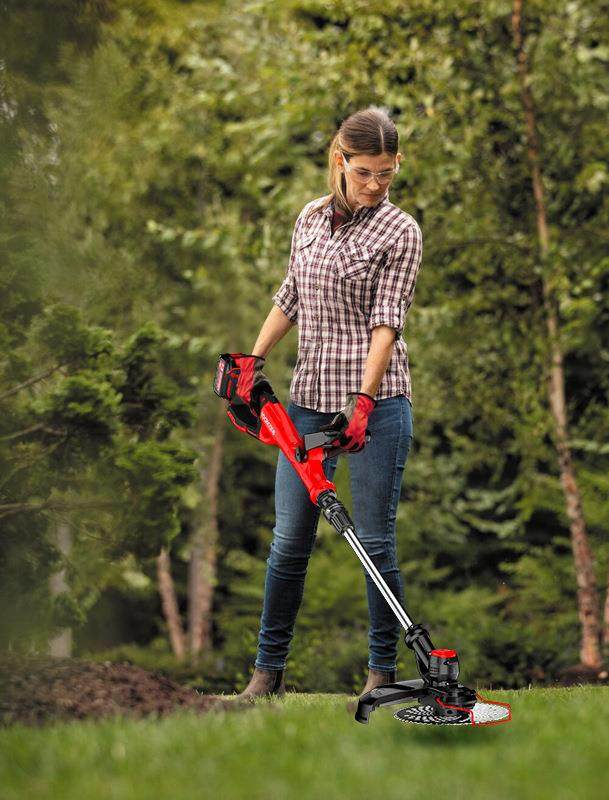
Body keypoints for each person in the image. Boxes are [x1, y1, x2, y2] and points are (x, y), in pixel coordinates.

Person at [235, 106, 423, 700]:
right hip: (307, 403)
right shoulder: (311, 218)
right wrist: (252, 359)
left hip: (376, 405)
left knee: (373, 542)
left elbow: (386, 324)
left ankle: (381, 674)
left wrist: (364, 400)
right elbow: (291, 294)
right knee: (289, 538)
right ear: (340, 161)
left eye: (387, 174)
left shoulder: (401, 231)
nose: (376, 185)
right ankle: (267, 675)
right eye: (366, 172)